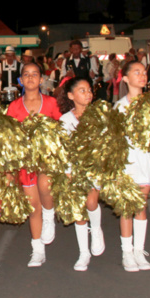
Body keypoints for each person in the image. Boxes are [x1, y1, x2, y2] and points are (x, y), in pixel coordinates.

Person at [5, 62, 62, 267]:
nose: (30, 78)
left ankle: (49, 215)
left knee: (45, 187)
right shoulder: (14, 106)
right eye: (26, 75)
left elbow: (62, 128)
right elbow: (8, 138)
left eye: (34, 74)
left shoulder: (51, 103)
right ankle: (37, 250)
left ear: (41, 79)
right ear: (20, 80)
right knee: (32, 207)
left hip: (47, 160)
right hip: (25, 163)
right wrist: (9, 169)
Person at [57, 77, 104, 271]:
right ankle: (84, 252)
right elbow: (63, 149)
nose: (88, 94)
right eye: (82, 90)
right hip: (74, 171)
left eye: (89, 90)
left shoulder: (100, 116)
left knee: (91, 203)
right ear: (71, 96)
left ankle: (97, 229)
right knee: (78, 211)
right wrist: (67, 172)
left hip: (95, 168)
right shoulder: (65, 120)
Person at [114, 61, 150, 271]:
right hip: (128, 163)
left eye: (144, 72)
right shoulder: (120, 107)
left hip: (146, 160)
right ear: (125, 78)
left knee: (141, 206)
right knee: (127, 208)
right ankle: (127, 252)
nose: (142, 75)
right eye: (136, 72)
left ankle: (139, 250)